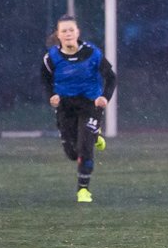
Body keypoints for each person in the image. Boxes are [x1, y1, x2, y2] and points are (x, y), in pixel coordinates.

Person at [41, 15, 116, 203]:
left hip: (90, 106)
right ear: (58, 35)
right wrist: (52, 95)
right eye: (63, 31)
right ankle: (95, 133)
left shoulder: (93, 54)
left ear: (77, 32)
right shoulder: (51, 58)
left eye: (71, 30)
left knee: (85, 148)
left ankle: (83, 190)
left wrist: (104, 98)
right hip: (66, 107)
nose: (67, 34)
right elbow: (45, 80)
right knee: (72, 153)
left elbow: (111, 78)